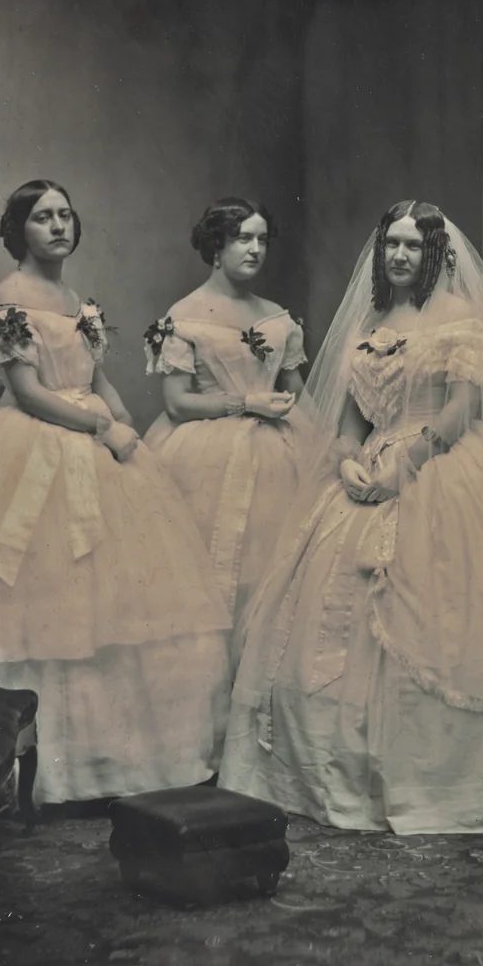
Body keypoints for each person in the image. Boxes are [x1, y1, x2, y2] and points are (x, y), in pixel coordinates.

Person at [219, 200, 483, 834]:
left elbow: (463, 409)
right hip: (371, 468)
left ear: (435, 254)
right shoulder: (370, 319)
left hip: (443, 465)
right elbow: (353, 416)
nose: (399, 256)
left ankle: (450, 785)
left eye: (412, 246)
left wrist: (404, 464)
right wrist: (349, 458)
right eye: (391, 246)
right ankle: (337, 779)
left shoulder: (460, 320)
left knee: (445, 614)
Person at [0, 180, 234, 805]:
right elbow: (28, 393)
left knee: (118, 601)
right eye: (41, 218)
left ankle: (112, 763)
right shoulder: (10, 295)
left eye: (64, 215)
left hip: (92, 440)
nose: (57, 226)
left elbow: (99, 379)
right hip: (37, 437)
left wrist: (129, 434)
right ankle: (39, 768)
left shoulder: (76, 299)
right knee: (42, 594)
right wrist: (98, 427)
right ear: (19, 231)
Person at [143, 197, 308, 650]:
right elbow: (177, 404)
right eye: (241, 239)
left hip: (280, 453)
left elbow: (297, 392)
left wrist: (326, 444)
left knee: (271, 568)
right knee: (210, 567)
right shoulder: (184, 316)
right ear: (217, 246)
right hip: (202, 454)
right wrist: (247, 403)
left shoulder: (277, 317)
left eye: (261, 239)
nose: (255, 249)